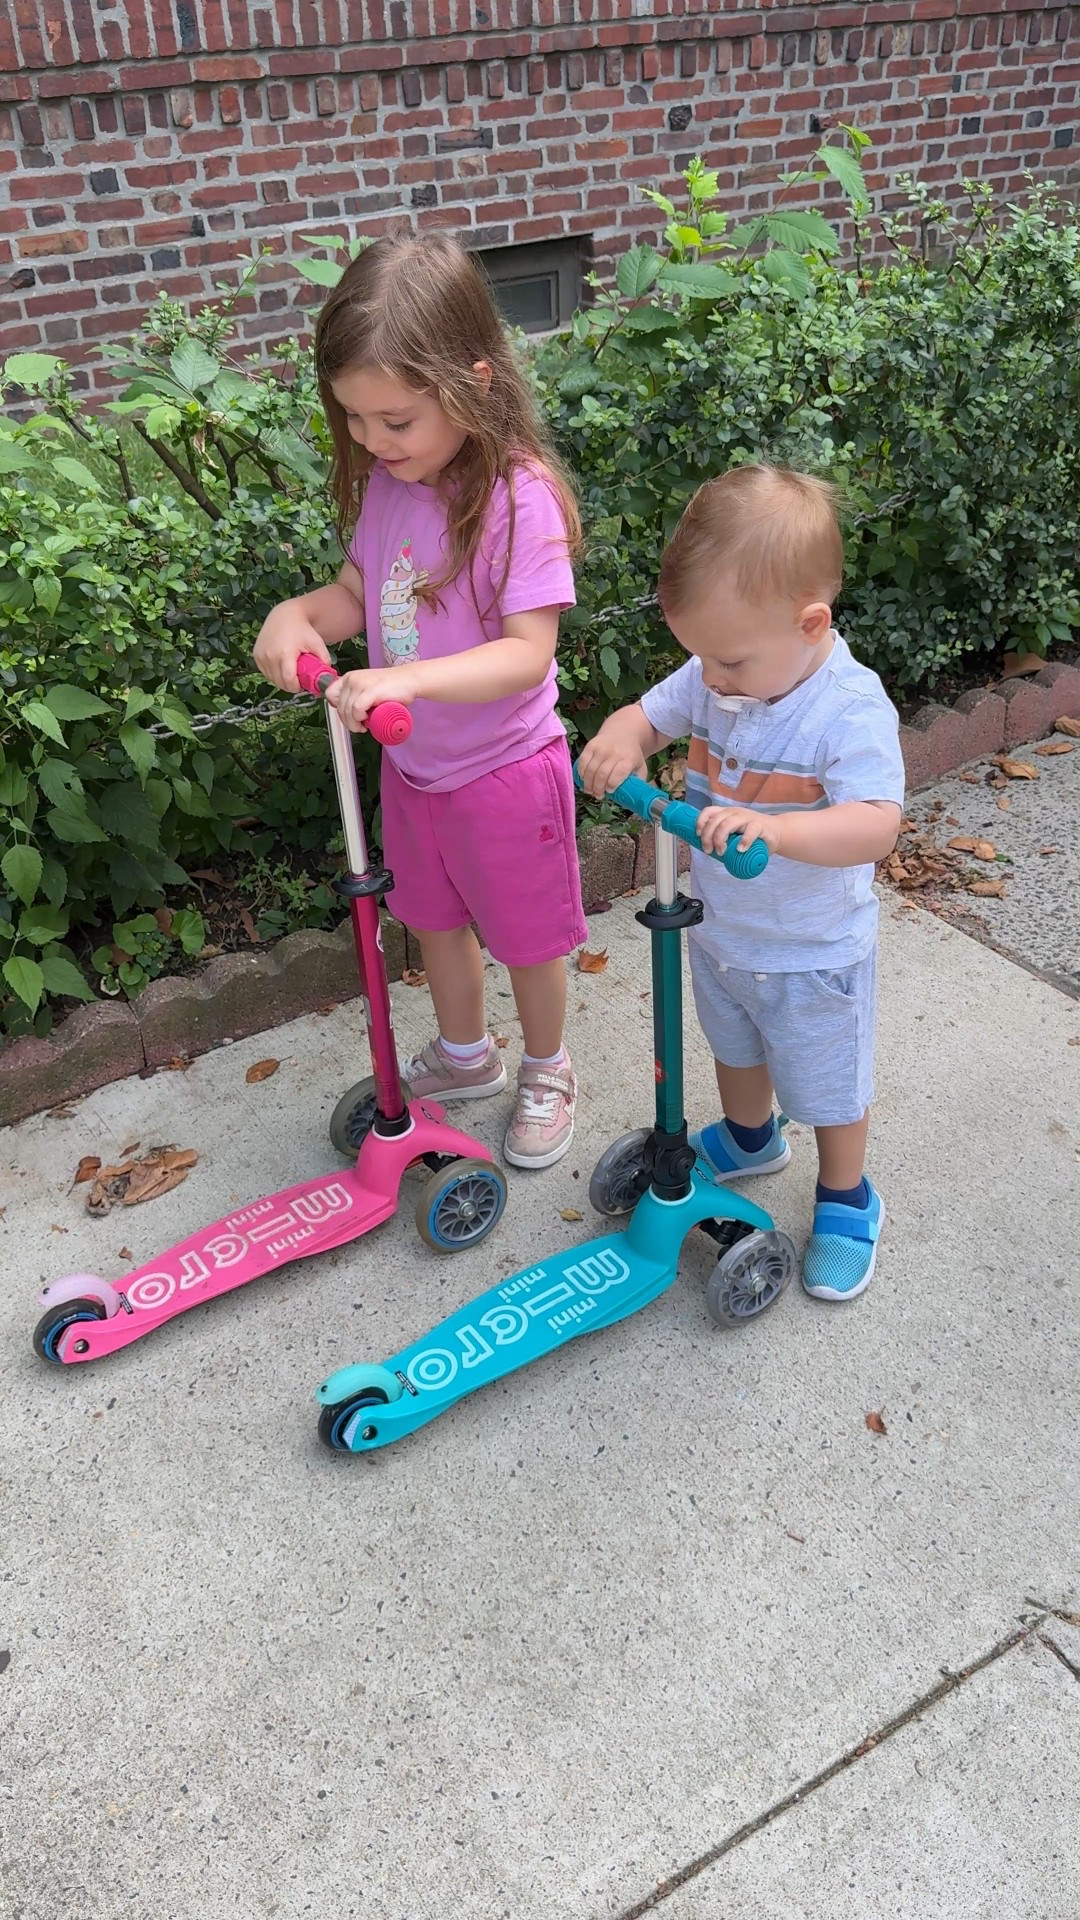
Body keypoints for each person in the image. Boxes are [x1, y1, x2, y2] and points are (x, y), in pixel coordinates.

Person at [253, 231, 587, 1169]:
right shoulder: (391, 488)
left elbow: (527, 656)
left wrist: (400, 680)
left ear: (473, 382)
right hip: (416, 766)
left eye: (394, 420)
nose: (371, 441)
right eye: (355, 420)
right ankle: (467, 1055)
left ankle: (549, 1066)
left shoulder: (519, 501)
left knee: (526, 936)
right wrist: (297, 614)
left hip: (505, 771)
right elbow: (359, 600)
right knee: (432, 923)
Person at [578, 465, 905, 1300]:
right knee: (734, 1051)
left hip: (812, 951)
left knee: (827, 1084)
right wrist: (624, 736)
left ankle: (845, 1196)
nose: (710, 681)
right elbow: (653, 712)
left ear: (809, 624)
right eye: (699, 659)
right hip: (721, 931)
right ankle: (754, 1138)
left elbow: (876, 821)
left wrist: (779, 829)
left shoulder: (848, 708)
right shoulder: (716, 673)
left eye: (725, 661)